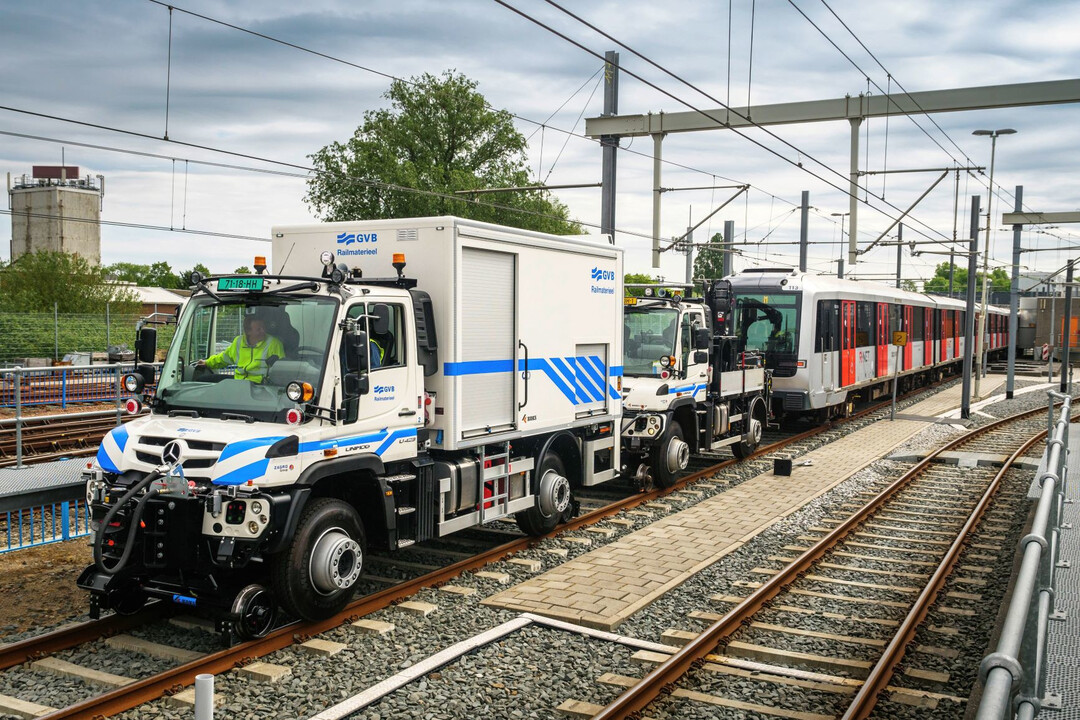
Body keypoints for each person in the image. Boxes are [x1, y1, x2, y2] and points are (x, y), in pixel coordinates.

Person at [197, 312, 284, 383]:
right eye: (259, 329)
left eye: (263, 328)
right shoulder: (238, 342)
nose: (263, 331)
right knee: (201, 380)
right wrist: (207, 362)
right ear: (248, 331)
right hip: (239, 382)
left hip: (261, 385)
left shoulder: (274, 344)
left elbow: (282, 368)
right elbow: (224, 358)